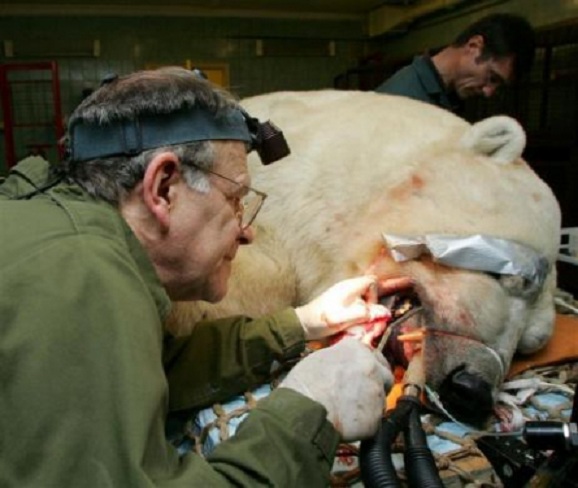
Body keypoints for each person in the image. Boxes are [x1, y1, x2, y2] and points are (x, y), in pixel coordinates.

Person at [0, 66, 412, 486]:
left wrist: (302, 323)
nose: (246, 230)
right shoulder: (80, 279)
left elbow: (158, 369)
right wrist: (307, 408)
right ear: (163, 188)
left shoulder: (60, 239)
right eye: (235, 199)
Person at [375, 13, 536, 113]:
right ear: (474, 46)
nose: (488, 92)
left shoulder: (443, 98)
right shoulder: (403, 101)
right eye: (492, 77)